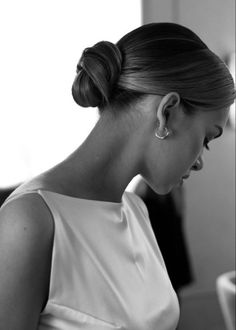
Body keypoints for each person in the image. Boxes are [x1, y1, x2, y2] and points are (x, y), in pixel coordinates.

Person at [0, 22, 235, 330]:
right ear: (168, 112)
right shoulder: (30, 221)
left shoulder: (137, 211)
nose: (200, 161)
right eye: (206, 138)